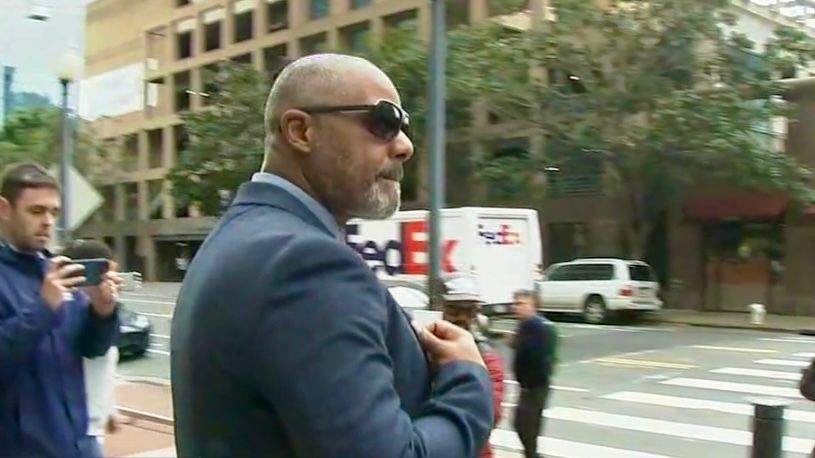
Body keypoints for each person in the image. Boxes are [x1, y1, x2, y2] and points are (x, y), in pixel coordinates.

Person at [171, 53, 493, 458]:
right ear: (301, 131)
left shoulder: (245, 239)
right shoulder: (304, 262)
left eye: (404, 127)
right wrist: (469, 381)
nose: (405, 146)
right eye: (383, 122)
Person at [0, 163, 121, 457]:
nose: (47, 222)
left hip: (76, 443)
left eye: (53, 212)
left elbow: (92, 348)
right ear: (4, 209)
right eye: (36, 211)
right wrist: (43, 306)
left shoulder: (58, 270)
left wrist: (102, 312)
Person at [62, 239, 123, 454]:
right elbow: (92, 349)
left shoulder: (105, 313)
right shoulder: (63, 310)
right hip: (71, 431)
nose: (110, 283)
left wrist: (110, 409)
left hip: (91, 429)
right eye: (103, 275)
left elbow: (103, 366)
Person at [441, 277, 504, 458]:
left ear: (477, 314)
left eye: (468, 311)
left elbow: (489, 414)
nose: (461, 318)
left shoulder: (486, 357)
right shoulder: (424, 348)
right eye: (454, 310)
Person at [511, 289, 558, 458]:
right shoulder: (525, 326)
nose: (516, 307)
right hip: (528, 387)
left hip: (535, 387)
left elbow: (542, 358)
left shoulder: (538, 326)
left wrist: (531, 385)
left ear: (533, 305)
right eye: (515, 304)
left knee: (526, 427)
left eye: (521, 304)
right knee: (523, 426)